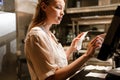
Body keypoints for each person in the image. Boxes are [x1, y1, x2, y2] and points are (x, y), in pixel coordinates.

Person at [24, 0, 105, 80]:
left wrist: (72, 48)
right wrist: (87, 55)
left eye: (63, 9)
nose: (62, 13)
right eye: (58, 8)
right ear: (44, 6)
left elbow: (57, 63)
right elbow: (51, 77)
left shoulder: (49, 34)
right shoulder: (36, 35)